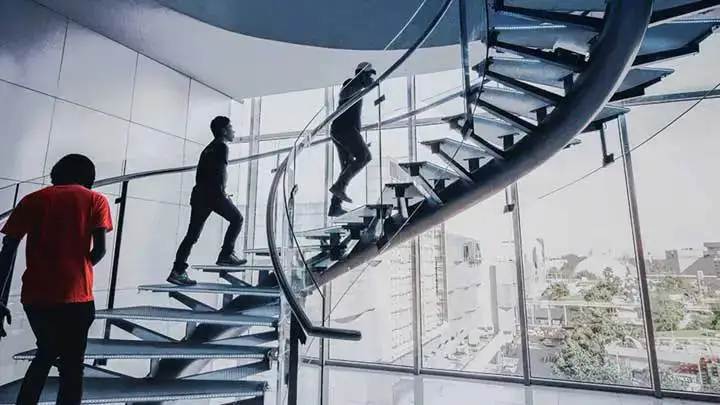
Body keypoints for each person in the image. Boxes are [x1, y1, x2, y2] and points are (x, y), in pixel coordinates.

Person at [0, 154, 113, 405]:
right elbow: (100, 250)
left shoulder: (33, 199)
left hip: (36, 296)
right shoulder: (96, 200)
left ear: (56, 174)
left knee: (45, 354)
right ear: (89, 177)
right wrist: (79, 267)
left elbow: (7, 250)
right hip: (78, 295)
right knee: (73, 367)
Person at [168, 116, 246, 286]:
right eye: (231, 127)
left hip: (199, 194)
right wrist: (222, 193)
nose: (233, 131)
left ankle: (177, 270)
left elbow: (201, 174)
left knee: (192, 236)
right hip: (213, 194)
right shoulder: (222, 146)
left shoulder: (208, 148)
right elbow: (221, 171)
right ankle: (226, 255)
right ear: (224, 130)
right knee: (237, 219)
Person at [328, 62, 376, 217]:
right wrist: (365, 87)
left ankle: (335, 206)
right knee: (365, 157)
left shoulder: (359, 89)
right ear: (361, 74)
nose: (371, 78)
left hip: (344, 130)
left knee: (347, 166)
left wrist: (359, 139)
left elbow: (354, 116)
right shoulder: (350, 83)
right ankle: (339, 188)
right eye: (369, 75)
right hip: (344, 130)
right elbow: (344, 93)